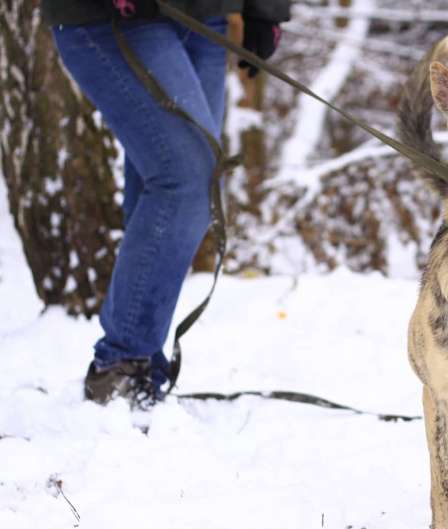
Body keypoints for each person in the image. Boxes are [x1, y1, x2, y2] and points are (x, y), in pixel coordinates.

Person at [41, 0, 291, 410]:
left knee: (171, 179)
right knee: (188, 178)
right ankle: (121, 366)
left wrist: (264, 9)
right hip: (109, 17)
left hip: (204, 13)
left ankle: (138, 374)